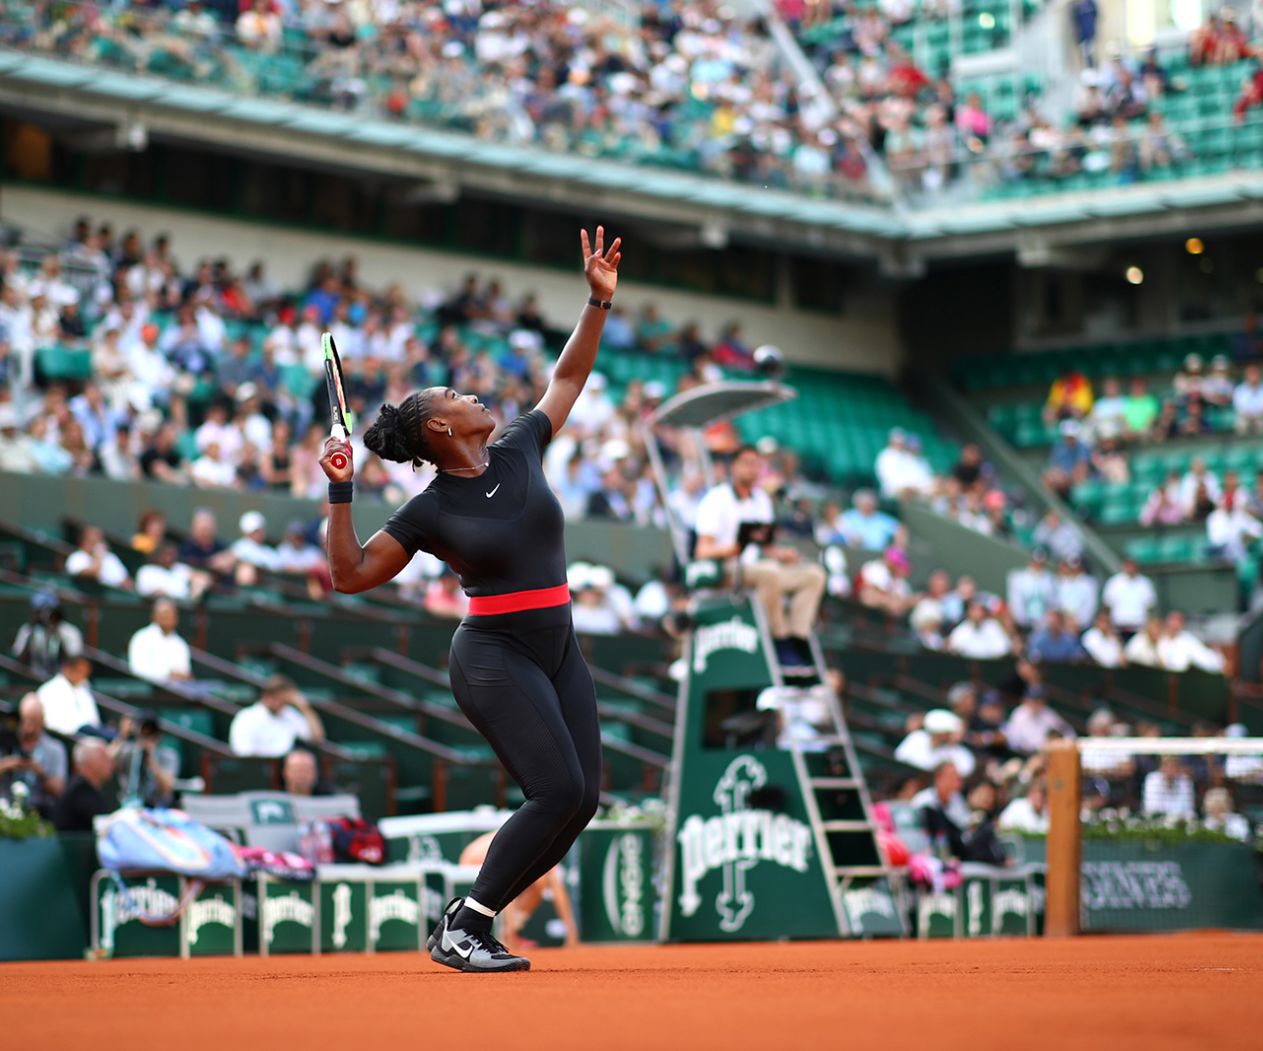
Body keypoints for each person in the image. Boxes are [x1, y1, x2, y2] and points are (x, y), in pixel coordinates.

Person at [318, 227, 621, 973]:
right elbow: (351, 573)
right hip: (492, 653)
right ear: (440, 426)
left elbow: (569, 379)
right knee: (554, 788)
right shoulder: (427, 509)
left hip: (558, 645)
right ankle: (467, 922)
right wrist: (338, 490)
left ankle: (472, 920)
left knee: (581, 798)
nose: (473, 392)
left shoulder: (519, 444)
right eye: (456, 394)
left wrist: (595, 302)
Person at [694, 445, 826, 674]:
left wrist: (783, 555)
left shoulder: (762, 500)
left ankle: (798, 638)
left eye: (756, 464)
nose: (752, 469)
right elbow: (702, 550)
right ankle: (779, 640)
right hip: (726, 569)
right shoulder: (717, 499)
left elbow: (766, 545)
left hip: (758, 569)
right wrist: (734, 549)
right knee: (769, 572)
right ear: (733, 466)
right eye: (747, 463)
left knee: (813, 575)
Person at [458, 830, 581, 952]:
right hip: (472, 863)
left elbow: (558, 889)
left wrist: (572, 933)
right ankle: (509, 934)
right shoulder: (527, 842)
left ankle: (512, 930)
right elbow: (505, 883)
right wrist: (512, 936)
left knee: (541, 881)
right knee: (514, 880)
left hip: (491, 863)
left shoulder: (542, 846)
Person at [912, 761, 1004, 864]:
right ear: (938, 778)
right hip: (929, 852)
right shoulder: (923, 800)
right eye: (952, 776)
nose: (957, 781)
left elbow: (964, 829)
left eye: (958, 777)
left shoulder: (957, 799)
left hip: (955, 851)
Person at [0, 693, 68, 818]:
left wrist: (40, 773)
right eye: (26, 720)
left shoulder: (55, 749)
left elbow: (59, 791)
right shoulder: (4, 743)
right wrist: (5, 766)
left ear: (42, 720)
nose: (29, 728)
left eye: (34, 721)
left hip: (41, 814)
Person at [228, 675, 325, 757]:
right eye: (279, 699)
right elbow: (242, 752)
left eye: (286, 701)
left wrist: (304, 707)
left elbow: (317, 738)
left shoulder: (289, 713)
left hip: (284, 770)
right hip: (256, 768)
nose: (282, 705)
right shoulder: (246, 717)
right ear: (266, 696)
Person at [111, 710, 179, 808]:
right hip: (129, 807)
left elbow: (167, 788)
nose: (148, 736)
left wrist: (151, 759)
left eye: (151, 732)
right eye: (144, 732)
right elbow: (103, 763)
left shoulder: (168, 755)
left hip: (158, 809)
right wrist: (122, 735)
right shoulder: (128, 752)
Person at [11, 591, 84, 678]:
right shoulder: (27, 630)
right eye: (39, 611)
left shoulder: (70, 631)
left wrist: (58, 633)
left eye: (49, 611)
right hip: (33, 679)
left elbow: (74, 660)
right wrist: (31, 638)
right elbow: (18, 659)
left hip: (61, 681)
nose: (45, 615)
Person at [54, 737, 117, 833]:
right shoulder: (80, 792)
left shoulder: (85, 789)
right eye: (104, 758)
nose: (111, 764)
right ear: (90, 763)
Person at [126, 598, 194, 686]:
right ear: (154, 616)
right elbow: (137, 670)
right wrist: (168, 673)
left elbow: (185, 673)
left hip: (176, 693)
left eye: (170, 614)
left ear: (176, 618)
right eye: (164, 614)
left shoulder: (180, 644)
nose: (167, 618)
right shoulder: (141, 637)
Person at [894, 709, 977, 776]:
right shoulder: (918, 737)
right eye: (947, 733)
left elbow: (964, 771)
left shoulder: (954, 752)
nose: (949, 736)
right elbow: (900, 757)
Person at [37, 656, 101, 737]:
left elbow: (95, 722)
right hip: (66, 737)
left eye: (85, 674)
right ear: (67, 669)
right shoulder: (48, 690)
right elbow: (51, 724)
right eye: (79, 671)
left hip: (91, 736)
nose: (82, 677)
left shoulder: (84, 691)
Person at [1003, 685, 1074, 754]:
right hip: (1024, 754)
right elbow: (1014, 742)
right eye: (1033, 700)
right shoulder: (1019, 715)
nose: (1036, 703)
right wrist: (1040, 747)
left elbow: (1067, 731)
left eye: (1039, 700)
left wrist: (1065, 742)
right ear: (1025, 700)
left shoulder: (1047, 713)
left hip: (1046, 753)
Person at [1101, 557, 1157, 635]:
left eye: (1132, 565)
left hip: (1139, 628)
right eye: (1128, 565)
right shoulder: (1114, 582)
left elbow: (1150, 607)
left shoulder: (1145, 583)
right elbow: (1107, 606)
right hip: (1117, 629)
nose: (1130, 568)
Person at [65, 526, 130, 590]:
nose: (96, 545)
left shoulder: (110, 557)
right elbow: (94, 574)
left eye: (98, 541)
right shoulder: (77, 557)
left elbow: (127, 582)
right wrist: (98, 555)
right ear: (84, 542)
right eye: (92, 541)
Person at [946, 601, 1014, 660]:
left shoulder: (992, 626)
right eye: (973, 610)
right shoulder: (961, 630)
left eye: (979, 610)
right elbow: (954, 648)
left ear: (984, 612)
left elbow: (1004, 647)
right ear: (968, 612)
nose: (976, 613)